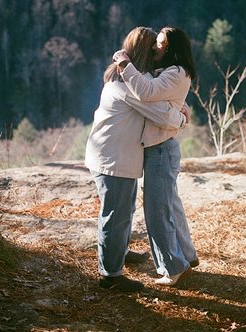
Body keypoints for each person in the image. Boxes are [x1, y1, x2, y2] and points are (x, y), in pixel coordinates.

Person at [87, 27, 189, 293]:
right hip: (113, 158)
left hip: (120, 157)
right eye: (153, 47)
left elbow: (156, 99)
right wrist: (181, 117)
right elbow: (162, 115)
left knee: (123, 212)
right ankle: (110, 274)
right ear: (144, 51)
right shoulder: (127, 84)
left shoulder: (130, 79)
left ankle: (117, 252)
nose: (158, 50)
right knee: (115, 215)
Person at [114, 26, 199, 286]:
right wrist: (179, 115)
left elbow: (146, 93)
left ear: (172, 48)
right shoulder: (171, 73)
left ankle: (172, 267)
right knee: (170, 206)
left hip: (161, 150)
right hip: (162, 148)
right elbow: (154, 96)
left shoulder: (175, 73)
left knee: (157, 212)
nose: (155, 47)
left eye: (160, 44)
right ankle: (186, 256)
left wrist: (125, 64)